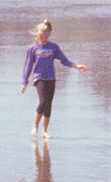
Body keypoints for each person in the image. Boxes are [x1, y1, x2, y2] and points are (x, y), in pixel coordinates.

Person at [19, 19, 86, 151]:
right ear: (37, 35)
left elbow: (64, 60)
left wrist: (77, 66)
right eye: (41, 37)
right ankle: (35, 126)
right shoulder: (33, 49)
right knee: (43, 101)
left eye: (46, 37)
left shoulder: (54, 47)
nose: (43, 39)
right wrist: (24, 82)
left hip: (51, 78)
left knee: (48, 104)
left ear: (49, 35)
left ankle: (45, 131)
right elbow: (28, 66)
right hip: (39, 79)